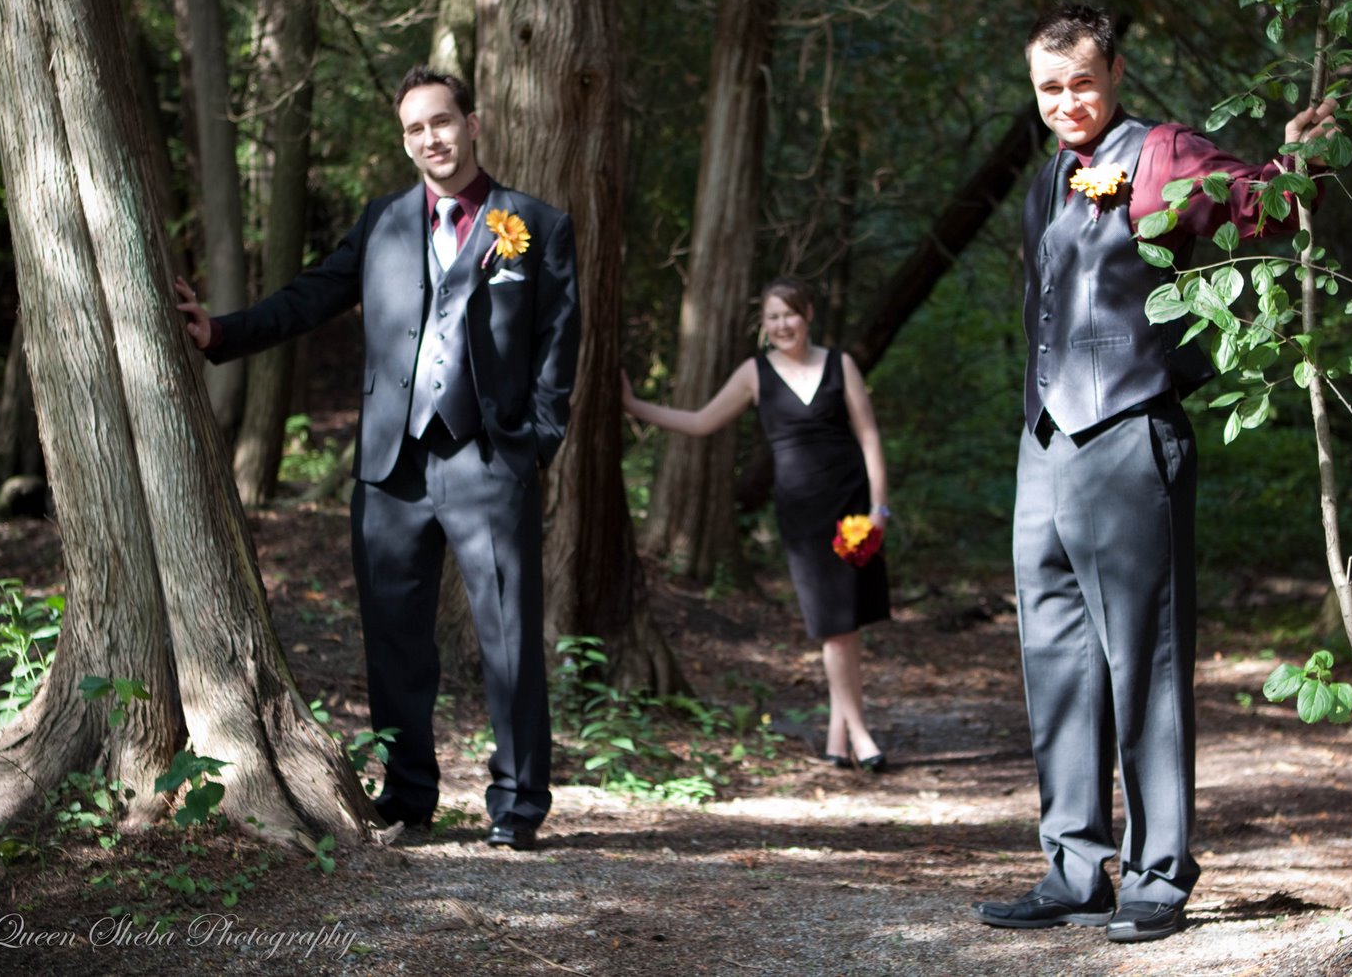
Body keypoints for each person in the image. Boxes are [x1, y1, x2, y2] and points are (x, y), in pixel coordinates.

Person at [973, 5, 1337, 943]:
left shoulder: (1163, 152)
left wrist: (1297, 159)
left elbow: (1261, 205)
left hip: (1129, 431)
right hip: (1044, 440)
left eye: (1081, 84)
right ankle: (1072, 866)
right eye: (1049, 88)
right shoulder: (1049, 178)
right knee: (1055, 657)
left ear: (1116, 74)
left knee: (1146, 659)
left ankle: (1157, 874)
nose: (1066, 102)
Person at [176, 65, 580, 850]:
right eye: (415, 129)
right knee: (394, 636)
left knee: (508, 635)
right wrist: (221, 332)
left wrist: (533, 444)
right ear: (405, 142)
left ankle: (518, 802)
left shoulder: (535, 224)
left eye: (442, 121)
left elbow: (558, 345)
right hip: (391, 466)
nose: (432, 138)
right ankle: (409, 794)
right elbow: (311, 295)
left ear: (472, 123)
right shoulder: (384, 222)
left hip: (489, 459)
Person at [621, 278, 890, 771]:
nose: (783, 324)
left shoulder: (841, 364)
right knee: (832, 626)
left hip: (852, 508)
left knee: (847, 625)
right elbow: (702, 422)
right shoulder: (754, 373)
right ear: (764, 324)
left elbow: (869, 436)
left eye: (790, 314)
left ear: (808, 314)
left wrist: (879, 509)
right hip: (803, 517)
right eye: (773, 317)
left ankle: (837, 739)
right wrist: (635, 406)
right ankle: (861, 734)